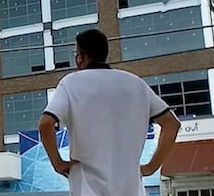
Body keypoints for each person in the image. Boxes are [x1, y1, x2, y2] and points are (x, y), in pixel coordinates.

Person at [38, 28, 181, 196]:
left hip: (88, 189)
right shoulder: (135, 83)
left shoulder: (71, 84)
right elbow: (172, 124)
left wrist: (58, 163)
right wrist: (150, 167)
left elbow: (45, 123)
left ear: (80, 57)